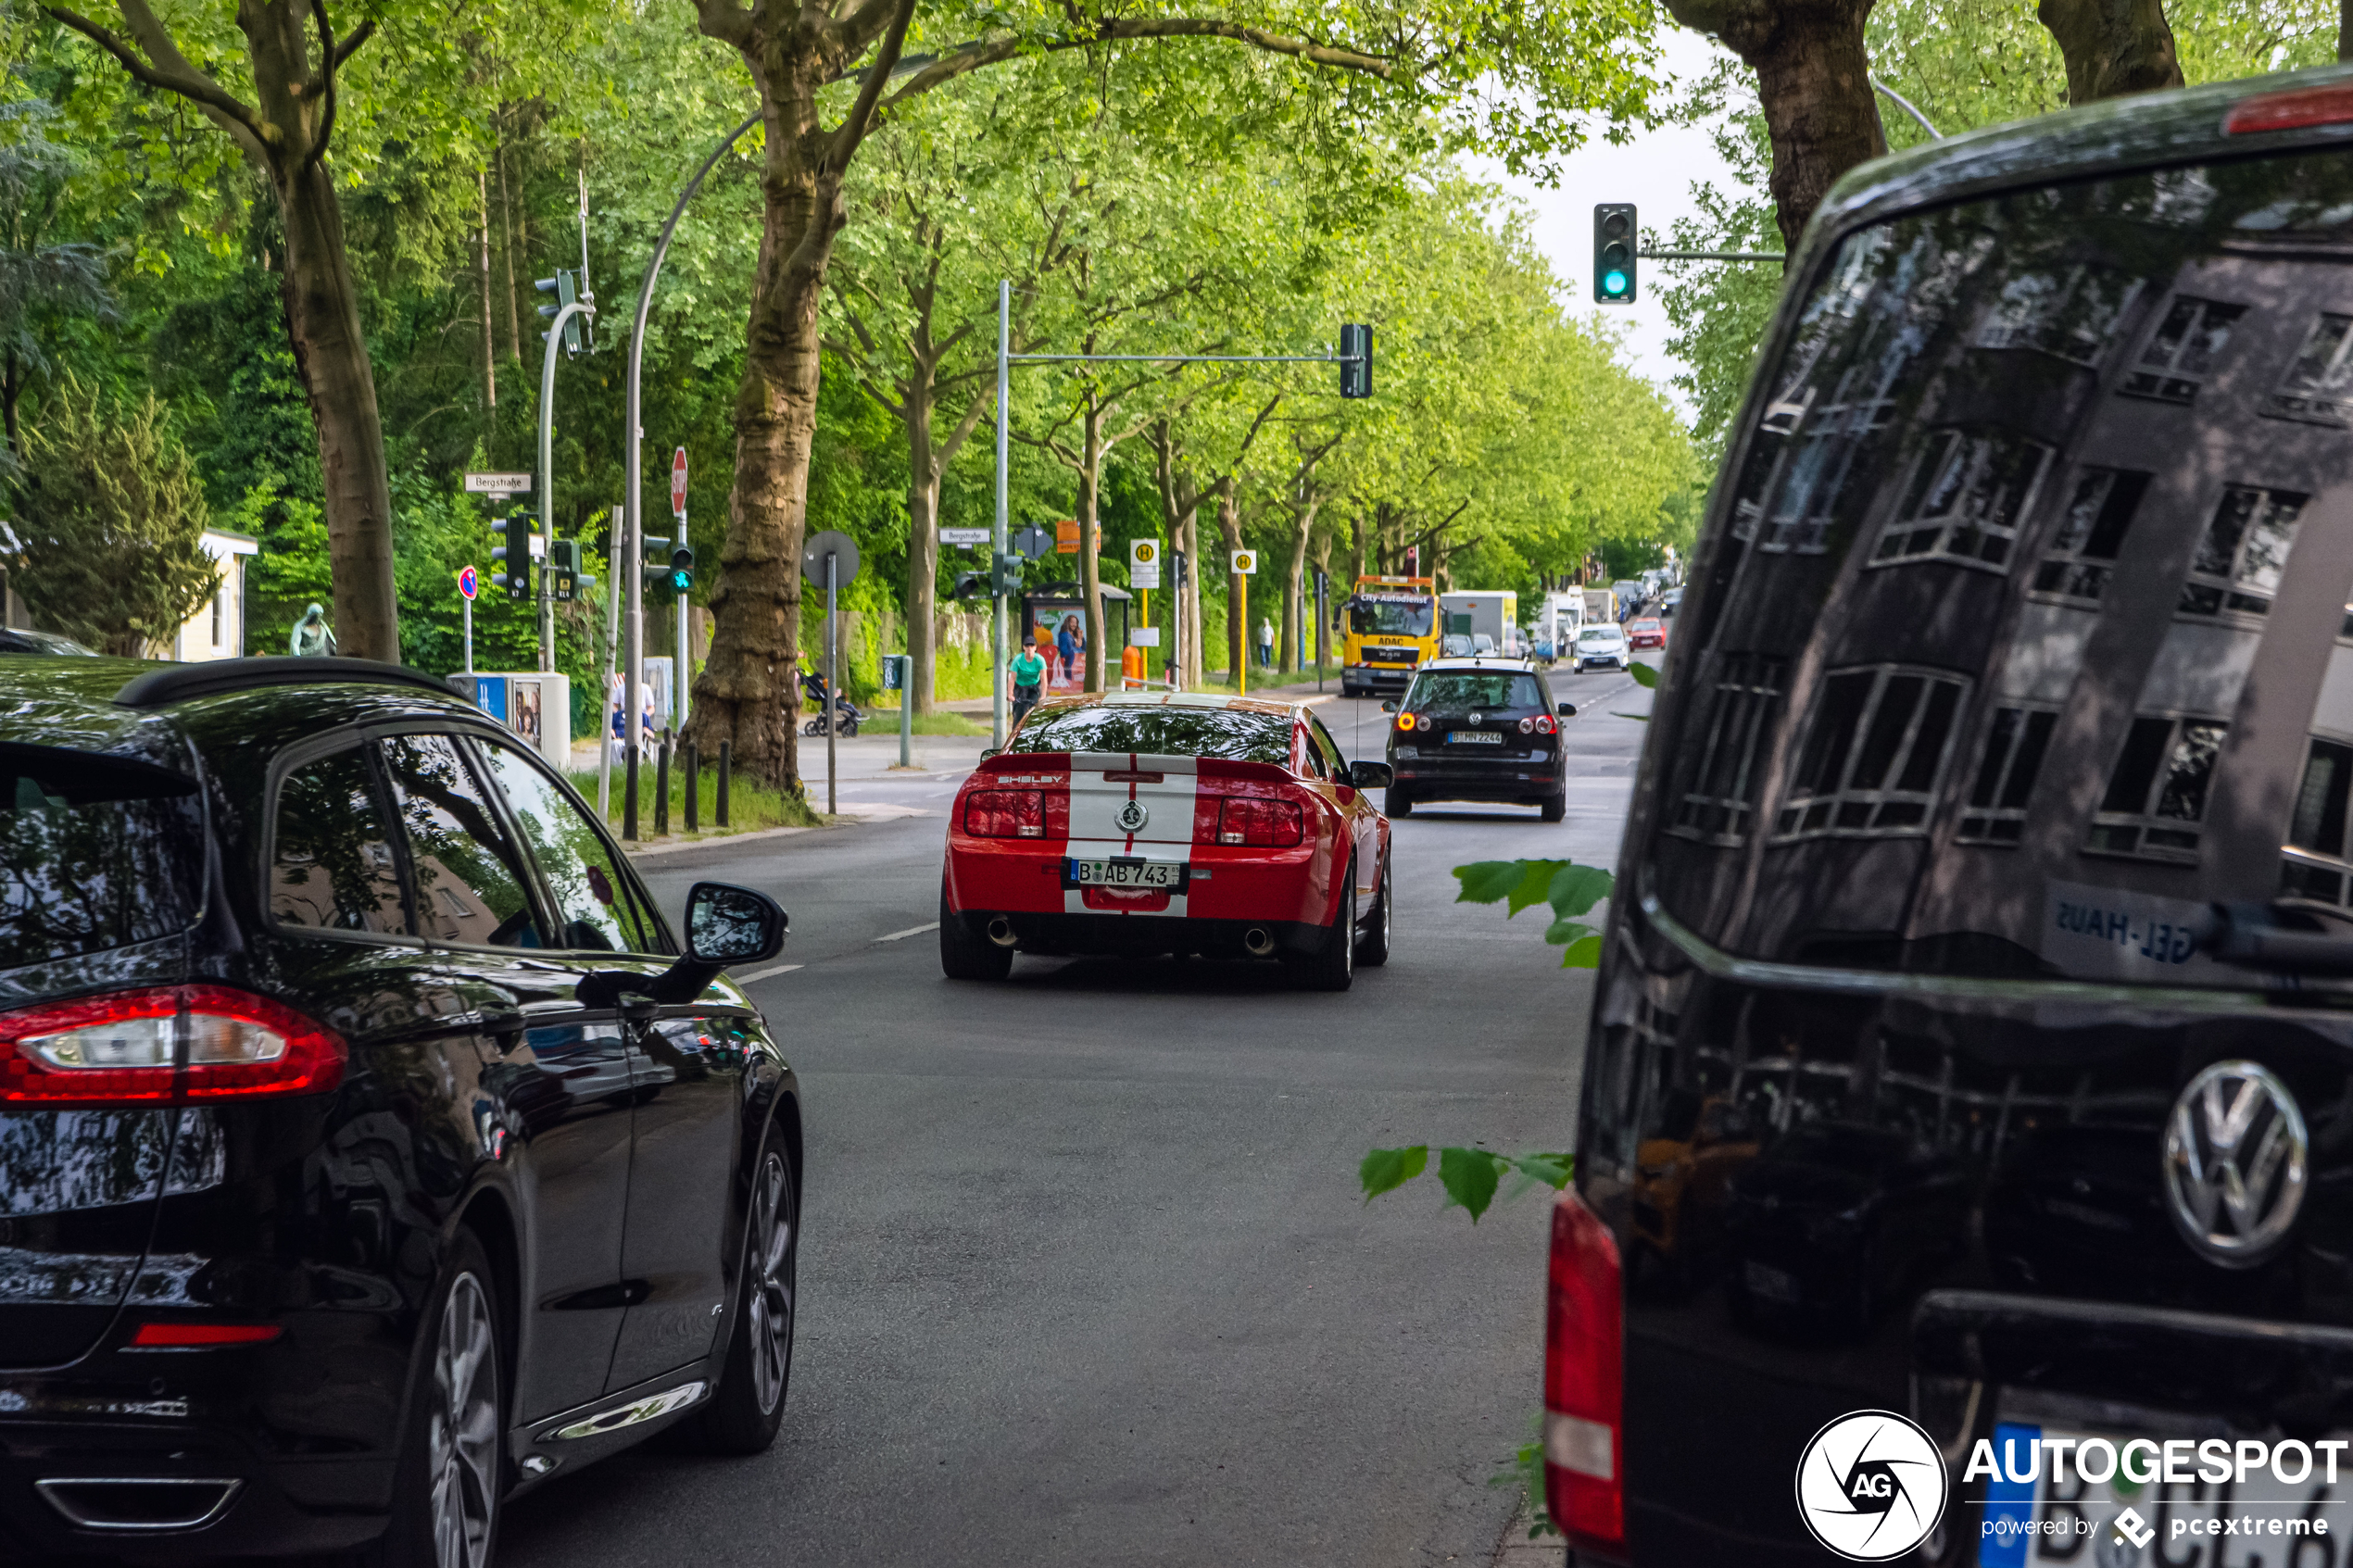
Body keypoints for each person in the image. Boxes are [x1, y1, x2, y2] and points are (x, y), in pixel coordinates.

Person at [1009, 639, 1047, 730]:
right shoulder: (1018, 659)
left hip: (1033, 687)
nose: (1029, 648)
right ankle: (1016, 733)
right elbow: (1012, 678)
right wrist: (1010, 694)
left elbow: (1043, 678)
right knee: (1019, 709)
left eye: (1031, 646)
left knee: (1034, 710)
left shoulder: (1040, 660)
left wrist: (1043, 696)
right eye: (1027, 646)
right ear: (1024, 647)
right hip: (1020, 687)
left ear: (1035, 647)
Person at [1056, 614, 1082, 683]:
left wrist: (1079, 637)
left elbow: (1078, 645)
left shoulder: (1070, 635)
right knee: (1068, 677)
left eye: (1075, 623)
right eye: (1072, 622)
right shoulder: (1065, 634)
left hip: (1071, 662)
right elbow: (1065, 650)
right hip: (1066, 661)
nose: (1074, 625)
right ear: (1068, 623)